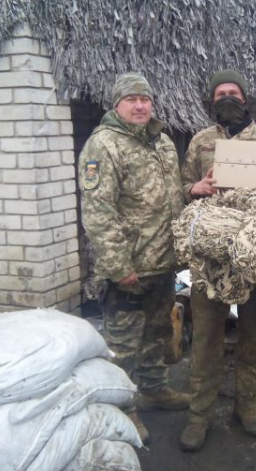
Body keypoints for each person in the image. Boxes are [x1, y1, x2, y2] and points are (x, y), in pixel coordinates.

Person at [78, 73, 190, 442]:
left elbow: (171, 196)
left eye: (146, 99)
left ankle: (154, 389)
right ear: (116, 105)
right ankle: (123, 409)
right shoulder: (104, 146)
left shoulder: (161, 142)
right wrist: (118, 266)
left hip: (163, 261)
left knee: (157, 334)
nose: (141, 105)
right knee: (124, 345)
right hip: (130, 269)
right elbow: (98, 211)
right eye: (132, 100)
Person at [178, 70, 256, 452]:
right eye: (220, 93)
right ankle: (199, 415)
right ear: (212, 100)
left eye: (233, 92)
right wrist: (195, 188)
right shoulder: (201, 141)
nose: (227, 98)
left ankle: (247, 405)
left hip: (251, 257)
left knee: (252, 337)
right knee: (206, 339)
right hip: (209, 261)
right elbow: (182, 188)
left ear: (245, 98)